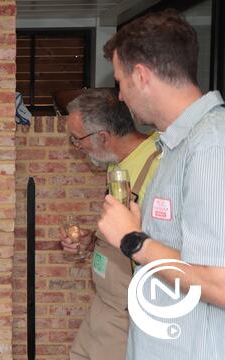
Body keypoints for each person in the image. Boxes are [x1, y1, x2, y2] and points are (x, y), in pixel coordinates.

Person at [97, 9, 225, 359]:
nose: (120, 96)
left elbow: (220, 282)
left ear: (141, 76)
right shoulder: (174, 144)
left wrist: (133, 240)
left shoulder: (212, 145)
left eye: (120, 81)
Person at [60, 88, 160, 360]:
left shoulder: (158, 166)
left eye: (77, 139)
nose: (76, 146)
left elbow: (162, 243)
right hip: (103, 305)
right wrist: (93, 239)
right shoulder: (116, 164)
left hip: (128, 312)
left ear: (103, 137)